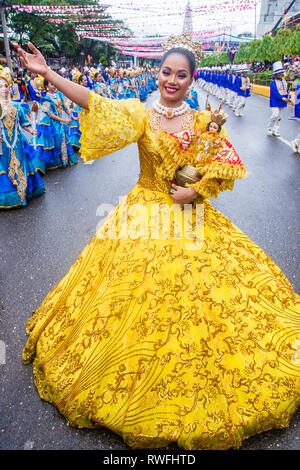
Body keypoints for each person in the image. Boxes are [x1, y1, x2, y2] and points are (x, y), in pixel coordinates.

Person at [14, 38, 300, 451]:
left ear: (191, 79)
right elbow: (94, 102)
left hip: (191, 219)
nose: (171, 80)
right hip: (141, 214)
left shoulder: (205, 122)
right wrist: (48, 74)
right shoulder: (140, 115)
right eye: (166, 72)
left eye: (180, 75)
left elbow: (227, 167)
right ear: (160, 73)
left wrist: (196, 190)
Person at [0, 68, 45, 209]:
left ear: (10, 87)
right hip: (3, 146)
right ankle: (10, 197)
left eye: (5, 86)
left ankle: (22, 195)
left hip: (18, 143)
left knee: (20, 168)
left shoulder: (17, 106)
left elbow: (24, 123)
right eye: (0, 86)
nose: (3, 89)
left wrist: (32, 130)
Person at [268, 61, 292, 137]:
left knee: (279, 117)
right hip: (275, 101)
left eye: (281, 72)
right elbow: (275, 93)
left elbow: (287, 91)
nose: (281, 74)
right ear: (276, 74)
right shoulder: (273, 83)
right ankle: (270, 127)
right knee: (275, 115)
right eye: (279, 73)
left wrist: (289, 97)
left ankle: (276, 130)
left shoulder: (285, 82)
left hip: (282, 102)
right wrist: (283, 98)